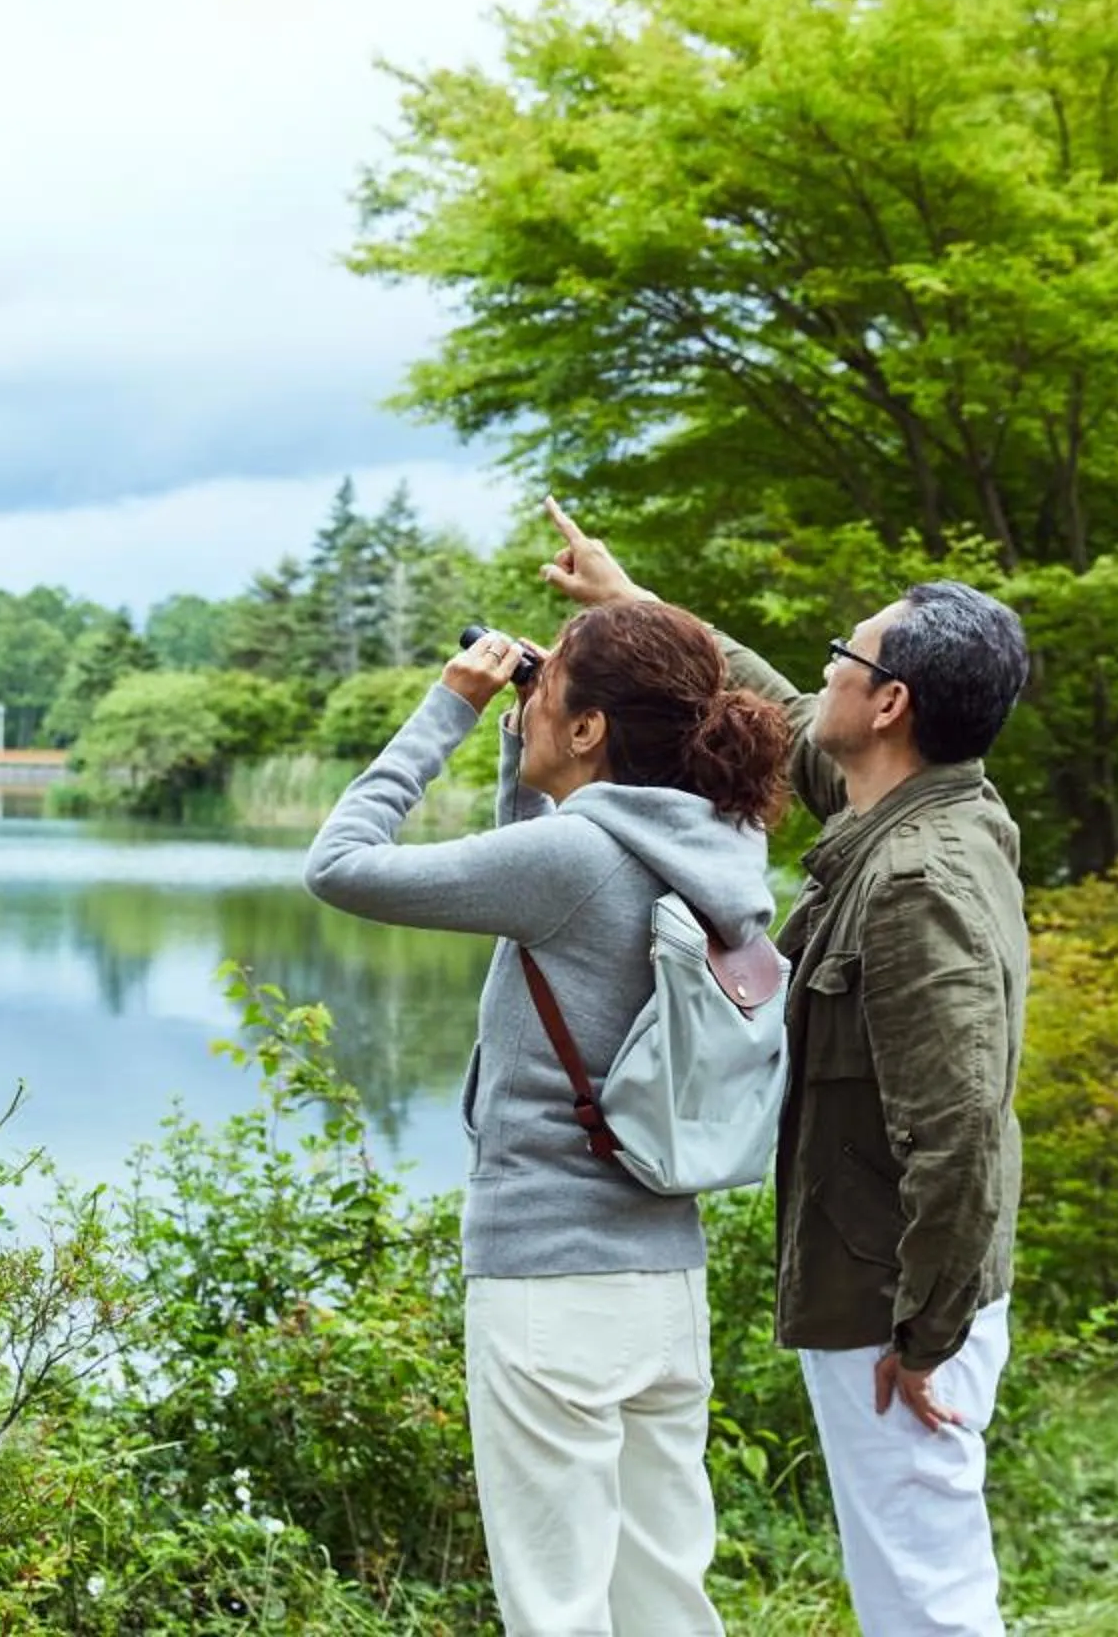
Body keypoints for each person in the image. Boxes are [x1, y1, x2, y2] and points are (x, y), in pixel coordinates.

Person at [536, 497, 1032, 1637]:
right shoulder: (913, 806)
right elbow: (781, 708)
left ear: (893, 699)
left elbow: (957, 1129)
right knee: (909, 1574)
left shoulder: (920, 881)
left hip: (899, 1304)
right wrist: (633, 604)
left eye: (845, 657)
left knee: (929, 1594)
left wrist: (928, 1336)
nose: (827, 674)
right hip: (894, 1290)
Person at [306, 597, 793, 1636]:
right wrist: (522, 739)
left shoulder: (573, 861)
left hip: (549, 1287)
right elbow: (549, 875)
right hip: (665, 1278)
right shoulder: (718, 843)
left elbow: (338, 864)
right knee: (666, 1599)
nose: (527, 703)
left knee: (557, 1609)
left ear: (591, 729)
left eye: (551, 689)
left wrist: (447, 706)